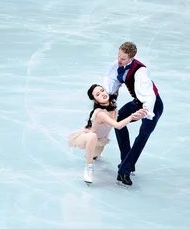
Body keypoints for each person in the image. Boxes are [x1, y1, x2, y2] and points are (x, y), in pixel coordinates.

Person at [103, 41, 164, 186]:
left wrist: (145, 112)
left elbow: (149, 96)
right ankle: (127, 159)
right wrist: (107, 98)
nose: (119, 60)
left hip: (152, 105)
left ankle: (125, 170)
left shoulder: (141, 72)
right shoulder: (118, 64)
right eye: (118, 56)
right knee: (119, 122)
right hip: (137, 102)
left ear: (131, 59)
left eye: (123, 59)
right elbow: (112, 80)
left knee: (143, 135)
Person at [68, 84, 147, 184]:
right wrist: (132, 116)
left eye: (102, 90)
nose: (102, 94)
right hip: (86, 138)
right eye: (98, 94)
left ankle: (92, 156)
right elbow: (118, 126)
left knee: (95, 154)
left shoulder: (112, 103)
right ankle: (88, 168)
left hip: (100, 142)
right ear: (95, 100)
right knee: (93, 136)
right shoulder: (100, 113)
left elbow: (116, 86)